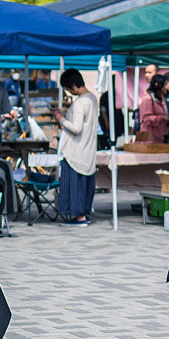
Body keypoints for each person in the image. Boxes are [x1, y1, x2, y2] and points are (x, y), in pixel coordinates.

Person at [52, 69, 98, 226]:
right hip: (88, 149)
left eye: (67, 88)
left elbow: (76, 128)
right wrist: (66, 114)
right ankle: (83, 214)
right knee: (84, 186)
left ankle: (79, 218)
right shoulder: (92, 98)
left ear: (73, 84)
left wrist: (61, 120)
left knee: (73, 186)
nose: (67, 91)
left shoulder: (79, 103)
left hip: (75, 151)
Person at [138, 73, 169, 143]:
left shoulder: (162, 99)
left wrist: (168, 123)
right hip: (149, 139)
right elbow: (146, 119)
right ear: (158, 86)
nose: (166, 87)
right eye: (165, 85)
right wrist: (162, 118)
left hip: (160, 138)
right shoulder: (148, 99)